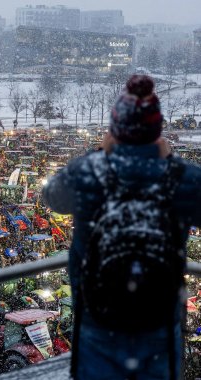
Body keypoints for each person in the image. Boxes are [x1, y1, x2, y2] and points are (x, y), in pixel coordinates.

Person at [43, 75, 201, 380]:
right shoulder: (183, 179)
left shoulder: (87, 172)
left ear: (115, 130)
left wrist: (100, 154)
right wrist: (169, 159)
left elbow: (52, 196)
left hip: (98, 320)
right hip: (159, 322)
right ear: (157, 132)